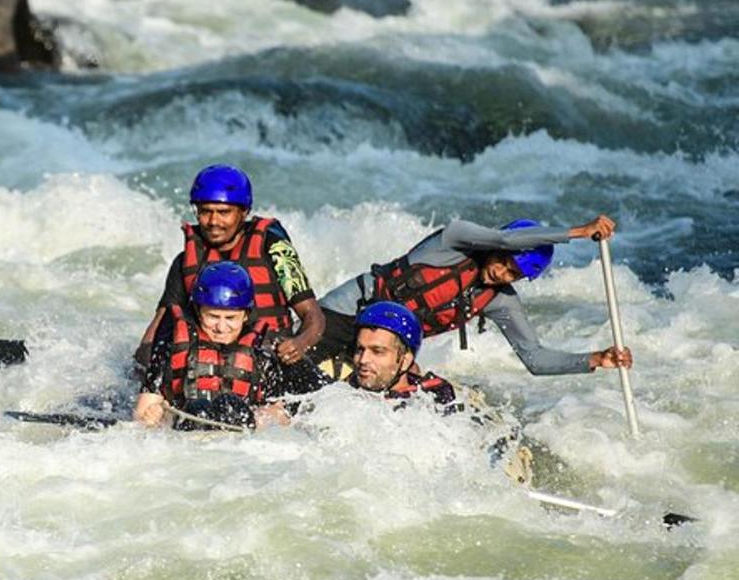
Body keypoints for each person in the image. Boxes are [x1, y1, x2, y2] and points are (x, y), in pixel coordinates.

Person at [311, 216, 633, 377]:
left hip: (387, 350)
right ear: (498, 249)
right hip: (346, 314)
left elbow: (535, 358)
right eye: (503, 263)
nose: (501, 275)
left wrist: (596, 359)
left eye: (513, 275)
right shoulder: (455, 239)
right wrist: (576, 232)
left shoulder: (499, 300)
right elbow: (506, 237)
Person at [135, 164, 325, 372]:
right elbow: (160, 324)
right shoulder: (185, 261)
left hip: (270, 360)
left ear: (244, 212)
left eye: (223, 212)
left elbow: (313, 315)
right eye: (205, 212)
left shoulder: (275, 250)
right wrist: (141, 372)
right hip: (209, 364)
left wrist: (300, 343)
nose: (214, 221)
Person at [134, 261, 318, 430]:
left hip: (239, 437)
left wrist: (261, 419)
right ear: (198, 312)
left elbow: (281, 416)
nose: (221, 328)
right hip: (187, 430)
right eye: (213, 317)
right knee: (198, 409)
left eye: (230, 318)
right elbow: (143, 411)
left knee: (231, 407)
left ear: (246, 315)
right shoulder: (171, 349)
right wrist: (159, 418)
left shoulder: (263, 355)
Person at [345, 301, 459, 413]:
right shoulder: (341, 391)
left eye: (377, 352)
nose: (363, 360)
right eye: (360, 350)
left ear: (405, 361)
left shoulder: (430, 407)